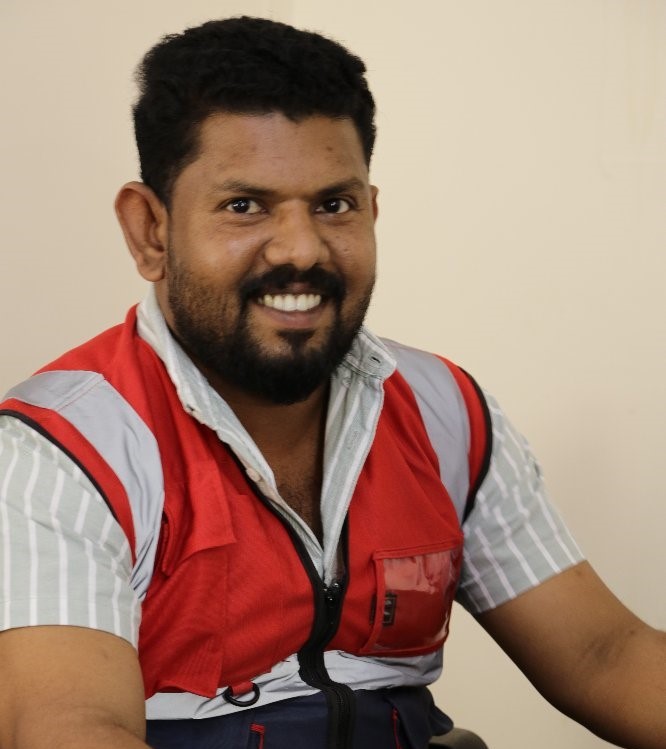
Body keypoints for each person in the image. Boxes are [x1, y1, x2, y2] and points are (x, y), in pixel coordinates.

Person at [0, 15, 664, 749]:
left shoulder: (446, 411)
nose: (301, 249)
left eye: (334, 205)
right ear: (150, 231)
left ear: (372, 211)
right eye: (244, 205)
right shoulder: (62, 450)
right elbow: (68, 727)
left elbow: (606, 654)